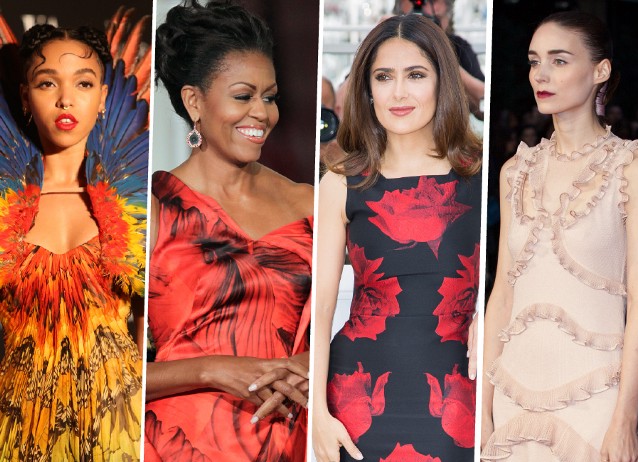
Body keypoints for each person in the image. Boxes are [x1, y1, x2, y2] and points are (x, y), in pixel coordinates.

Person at [144, 2, 313, 461]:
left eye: (271, 96)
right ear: (194, 101)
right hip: (177, 445)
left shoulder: (309, 203)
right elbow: (107, 373)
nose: (262, 113)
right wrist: (214, 370)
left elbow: (362, 319)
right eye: (243, 96)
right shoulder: (151, 208)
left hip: (286, 442)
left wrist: (311, 362)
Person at [312, 14, 482, 462]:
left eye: (416, 75)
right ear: (367, 89)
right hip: (358, 393)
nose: (399, 93)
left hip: (457, 393)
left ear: (441, 82)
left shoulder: (482, 177)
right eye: (384, 77)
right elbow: (321, 306)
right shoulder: (341, 182)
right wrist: (317, 414)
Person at [481, 11, 638, 462]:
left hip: (596, 399)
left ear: (600, 70)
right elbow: (502, 296)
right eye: (536, 61)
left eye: (559, 61)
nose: (541, 74)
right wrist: (483, 414)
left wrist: (626, 418)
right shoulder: (514, 172)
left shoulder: (631, 169)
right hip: (514, 394)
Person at [0, 13, 149, 460]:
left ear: (104, 97)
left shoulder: (137, 202)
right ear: (25, 96)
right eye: (48, 83)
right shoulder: (5, 207)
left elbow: (148, 329)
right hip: (18, 428)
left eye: (83, 84)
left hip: (118, 430)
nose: (66, 99)